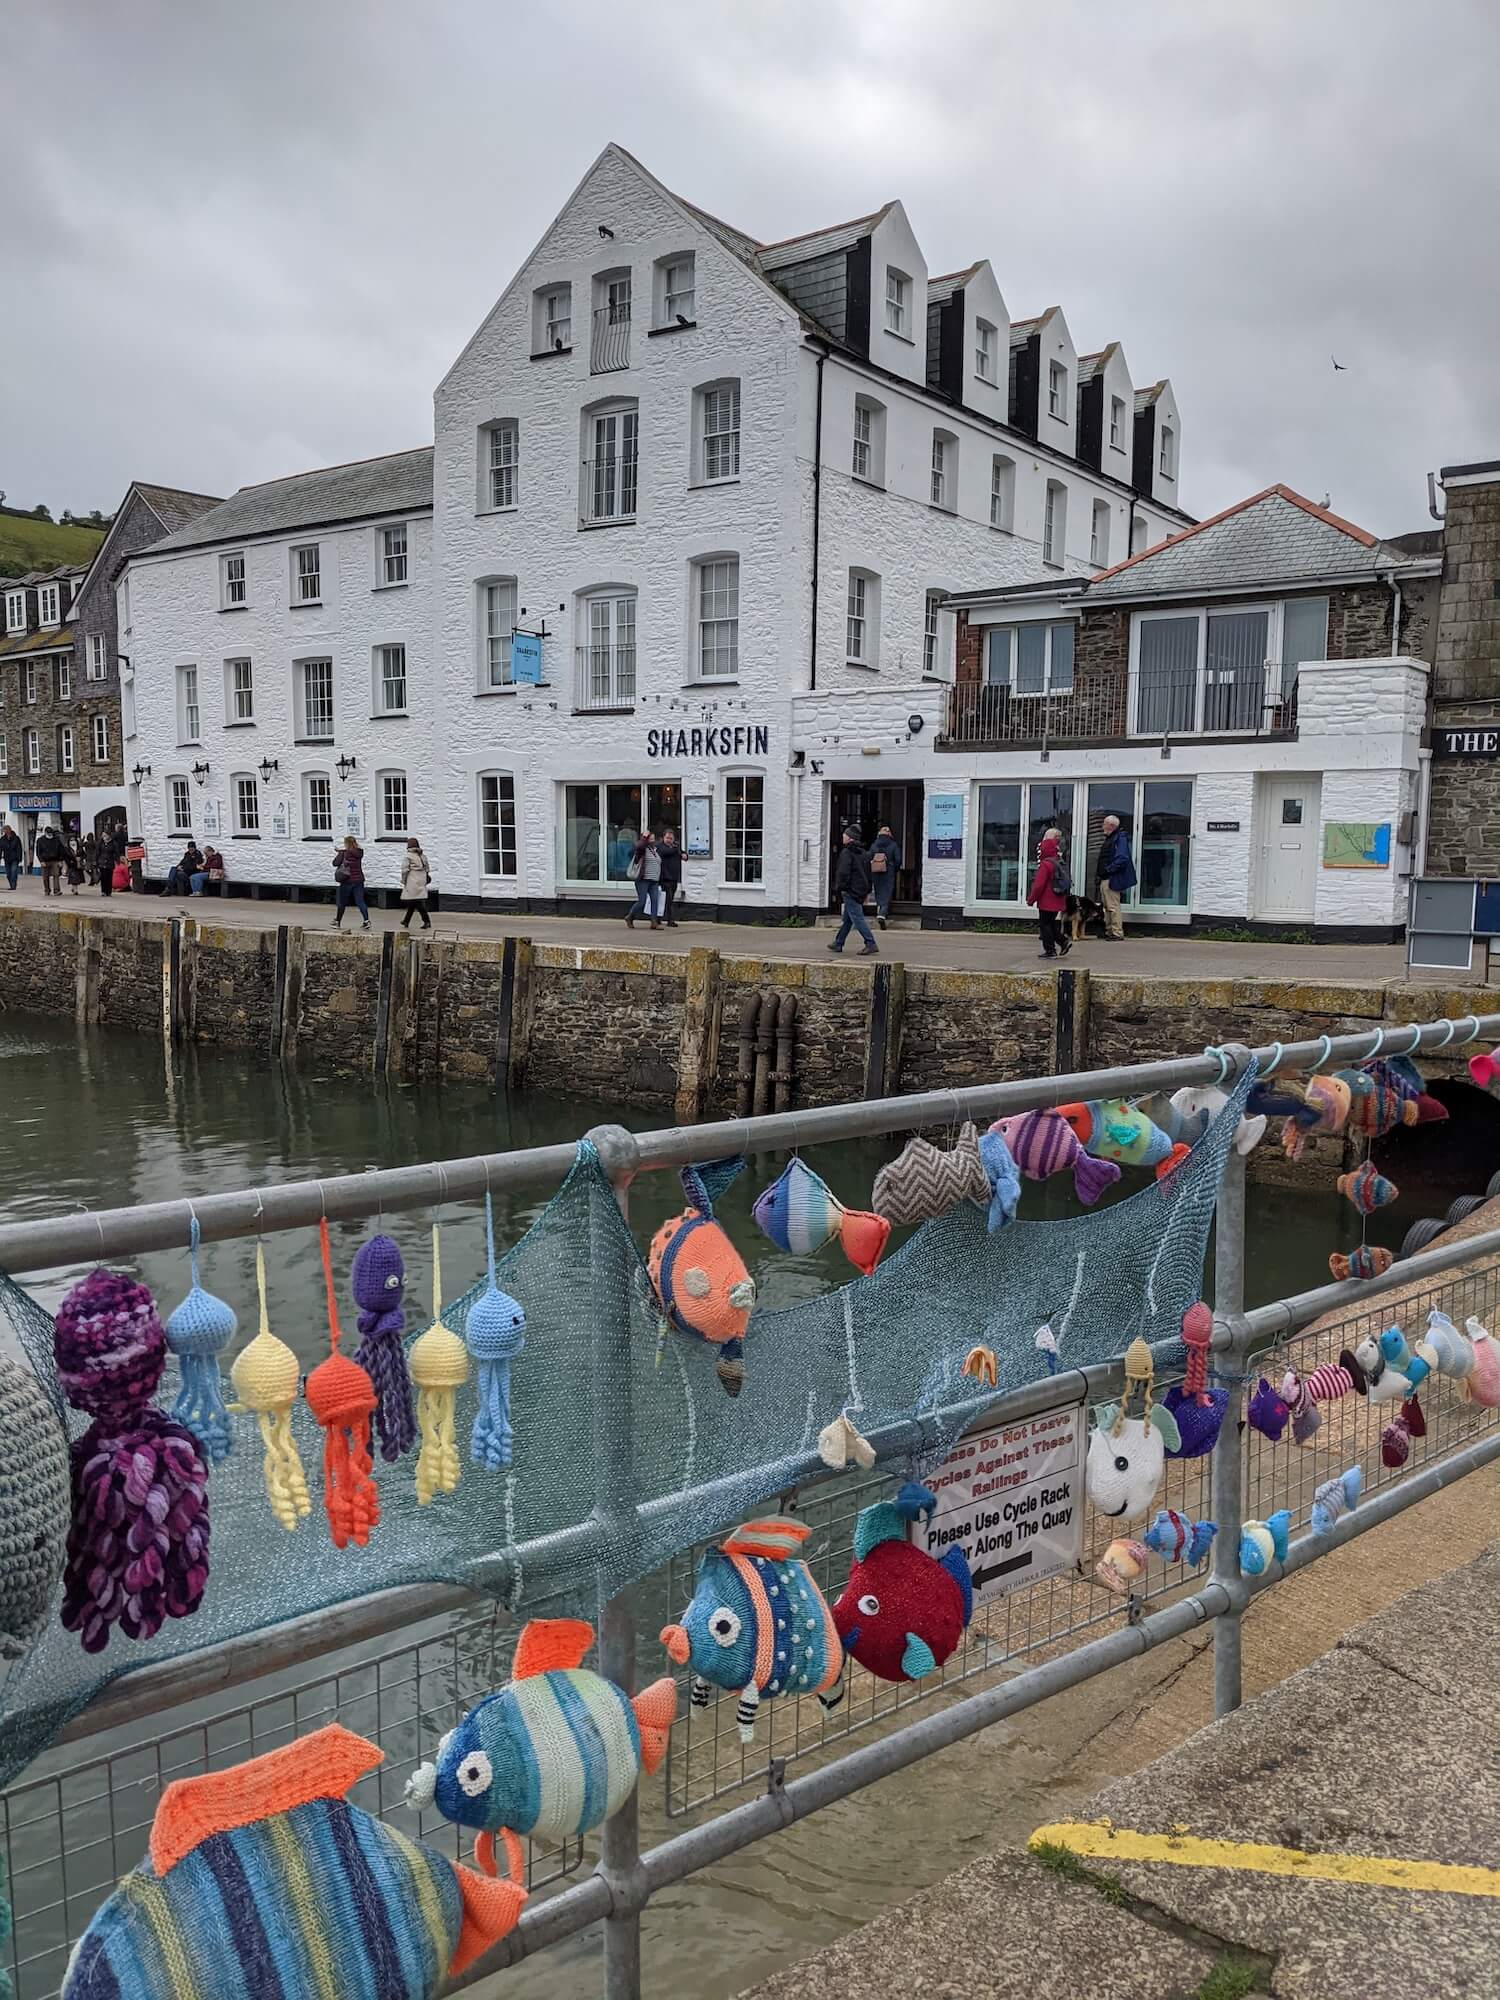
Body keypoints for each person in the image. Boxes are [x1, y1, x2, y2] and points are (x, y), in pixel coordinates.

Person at [828, 823, 878, 955]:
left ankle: (870, 943)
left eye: (845, 834)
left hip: (851, 890)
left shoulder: (847, 853)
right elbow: (869, 873)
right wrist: (867, 890)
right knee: (848, 919)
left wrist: (841, 887)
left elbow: (843, 873)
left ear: (850, 838)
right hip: (861, 889)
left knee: (857, 918)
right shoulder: (864, 853)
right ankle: (838, 942)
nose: (843, 836)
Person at [1027, 827, 1072, 961]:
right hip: (1058, 899)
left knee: (1044, 925)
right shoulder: (1058, 862)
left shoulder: (1045, 865)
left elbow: (1038, 885)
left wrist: (1031, 899)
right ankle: (1063, 941)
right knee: (1051, 923)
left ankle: (1050, 950)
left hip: (1047, 901)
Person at [1094, 813, 1137, 941]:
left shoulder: (1119, 838)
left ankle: (1116, 932)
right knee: (1107, 906)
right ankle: (1109, 931)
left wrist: (1108, 869)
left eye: (1104, 824)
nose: (1102, 827)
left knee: (1112, 906)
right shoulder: (1113, 838)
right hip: (1106, 877)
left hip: (1111, 877)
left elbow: (1122, 858)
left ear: (1111, 826)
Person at [625, 830, 662, 931]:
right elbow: (639, 846)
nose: (652, 840)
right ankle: (630, 916)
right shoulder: (642, 849)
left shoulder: (655, 850)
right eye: (650, 838)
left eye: (653, 838)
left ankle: (654, 922)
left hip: (654, 880)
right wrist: (644, 838)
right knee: (642, 901)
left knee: (655, 900)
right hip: (643, 879)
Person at [869, 821, 902, 930]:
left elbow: (869, 856)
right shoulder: (893, 845)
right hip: (889, 871)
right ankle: (882, 914)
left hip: (876, 871)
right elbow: (898, 860)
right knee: (887, 891)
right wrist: (894, 869)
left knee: (878, 891)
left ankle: (880, 911)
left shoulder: (874, 844)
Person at [333, 835, 370, 929]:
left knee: (342, 902)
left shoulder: (344, 853)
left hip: (347, 881)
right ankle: (366, 921)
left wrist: (340, 853)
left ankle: (337, 922)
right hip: (359, 880)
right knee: (360, 901)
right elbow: (351, 852)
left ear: (346, 843)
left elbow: (335, 863)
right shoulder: (359, 852)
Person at [399, 837, 433, 930]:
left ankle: (426, 921)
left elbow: (404, 870)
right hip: (421, 880)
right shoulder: (422, 856)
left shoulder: (408, 856)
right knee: (414, 901)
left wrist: (404, 880)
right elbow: (427, 868)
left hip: (412, 880)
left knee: (416, 901)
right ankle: (406, 920)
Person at [656, 828, 683, 927]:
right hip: (664, 877)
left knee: (669, 899)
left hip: (674, 877)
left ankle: (661, 918)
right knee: (665, 899)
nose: (669, 840)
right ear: (663, 838)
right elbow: (667, 852)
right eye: (667, 838)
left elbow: (681, 853)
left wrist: (684, 855)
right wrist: (676, 848)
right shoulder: (660, 846)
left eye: (671, 838)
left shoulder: (675, 847)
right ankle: (666, 919)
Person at [35, 824, 64, 897]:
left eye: (51, 833)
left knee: (56, 875)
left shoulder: (56, 840)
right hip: (45, 861)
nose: (50, 835)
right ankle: (47, 890)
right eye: (48, 833)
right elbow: (38, 852)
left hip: (55, 860)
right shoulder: (40, 840)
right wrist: (41, 861)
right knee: (45, 877)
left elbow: (61, 850)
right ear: (45, 833)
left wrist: (60, 860)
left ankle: (56, 890)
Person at [0, 825, 21, 892]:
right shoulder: (2, 839)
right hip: (7, 858)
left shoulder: (16, 838)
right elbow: (0, 849)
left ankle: (13, 886)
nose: (5, 831)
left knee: (13, 872)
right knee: (8, 873)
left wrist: (19, 858)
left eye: (5, 830)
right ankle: (11, 884)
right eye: (4, 830)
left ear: (9, 830)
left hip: (14, 858)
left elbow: (19, 849)